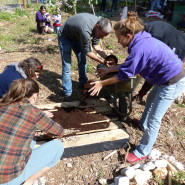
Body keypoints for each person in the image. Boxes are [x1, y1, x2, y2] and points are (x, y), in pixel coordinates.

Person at [89, 11, 185, 163]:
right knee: (151, 99)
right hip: (163, 78)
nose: (118, 41)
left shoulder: (139, 47)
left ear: (128, 36)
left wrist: (101, 83)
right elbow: (130, 65)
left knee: (155, 118)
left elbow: (124, 75)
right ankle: (142, 124)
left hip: (173, 80)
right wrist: (108, 69)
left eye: (119, 38)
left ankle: (143, 151)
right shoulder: (142, 39)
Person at [0, 78, 64, 185]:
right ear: (34, 96)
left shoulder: (3, 105)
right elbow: (59, 132)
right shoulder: (33, 112)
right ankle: (29, 182)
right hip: (7, 179)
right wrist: (42, 118)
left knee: (31, 139)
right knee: (58, 147)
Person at [58, 13, 112, 102]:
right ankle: (67, 93)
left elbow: (96, 46)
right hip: (65, 36)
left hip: (77, 36)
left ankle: (82, 83)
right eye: (102, 35)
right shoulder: (86, 30)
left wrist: (108, 58)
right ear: (97, 26)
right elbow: (87, 52)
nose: (102, 37)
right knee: (67, 66)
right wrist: (102, 61)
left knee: (82, 61)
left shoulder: (99, 27)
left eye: (104, 36)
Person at [135, 21, 185, 103]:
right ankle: (141, 94)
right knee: (156, 68)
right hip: (157, 33)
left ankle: (141, 94)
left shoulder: (180, 43)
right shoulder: (179, 48)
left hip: (158, 27)